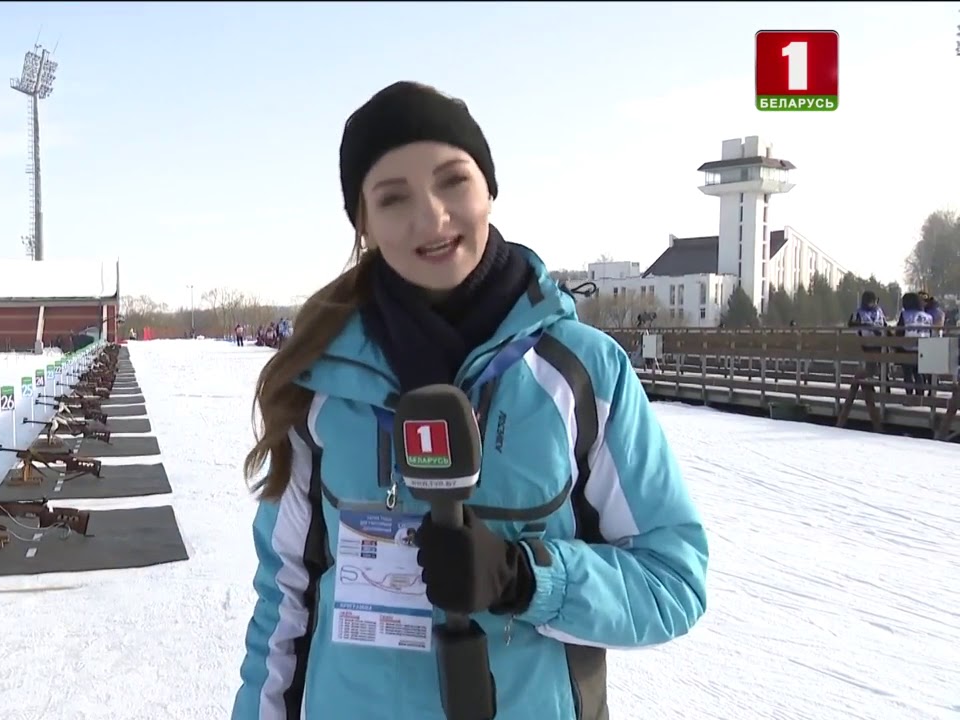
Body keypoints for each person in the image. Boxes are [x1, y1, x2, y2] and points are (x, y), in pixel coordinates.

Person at [231, 81, 708, 720]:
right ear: (363, 224)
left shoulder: (581, 374)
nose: (431, 218)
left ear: (489, 187)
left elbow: (672, 580)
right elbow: (285, 603)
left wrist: (526, 578)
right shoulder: (321, 383)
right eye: (393, 197)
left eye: (452, 181)